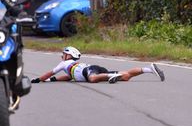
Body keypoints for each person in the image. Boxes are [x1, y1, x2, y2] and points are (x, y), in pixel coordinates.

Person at [31, 46, 165, 84]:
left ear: (68, 55)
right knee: (126, 76)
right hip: (95, 69)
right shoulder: (70, 69)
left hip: (90, 71)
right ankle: (149, 69)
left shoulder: (64, 63)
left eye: (63, 54)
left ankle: (112, 75)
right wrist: (51, 80)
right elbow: (67, 77)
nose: (62, 56)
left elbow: (50, 72)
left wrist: (38, 79)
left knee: (93, 79)